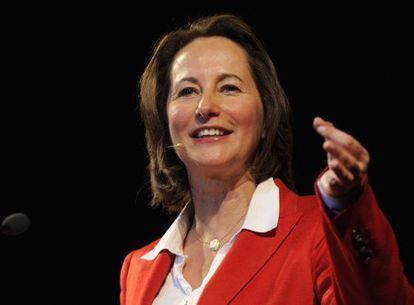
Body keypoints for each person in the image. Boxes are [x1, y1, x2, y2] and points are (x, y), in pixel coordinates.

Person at [120, 14, 413, 305]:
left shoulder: (319, 231)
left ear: (265, 116)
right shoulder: (137, 269)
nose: (205, 106)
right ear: (165, 121)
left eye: (229, 88)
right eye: (187, 91)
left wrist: (348, 205)